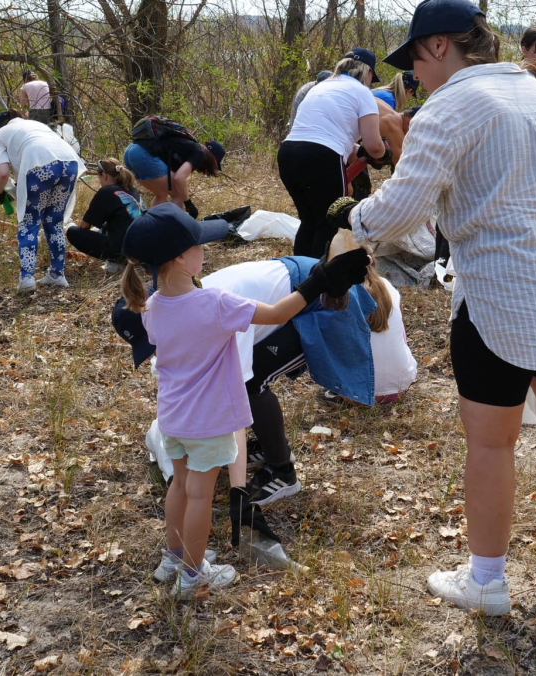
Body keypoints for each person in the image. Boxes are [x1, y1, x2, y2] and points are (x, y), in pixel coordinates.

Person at [339, 0, 536, 616]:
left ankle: (485, 581)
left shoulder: (449, 106)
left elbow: (401, 207)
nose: (412, 79)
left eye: (415, 64)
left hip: (503, 298)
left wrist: (350, 222)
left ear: (439, 46)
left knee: (490, 444)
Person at [118, 202, 369, 597]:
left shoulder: (149, 307)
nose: (206, 251)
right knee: (200, 495)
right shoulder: (215, 303)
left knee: (180, 487)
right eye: (200, 245)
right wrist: (318, 278)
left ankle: (173, 558)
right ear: (182, 258)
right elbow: (277, 313)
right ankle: (193, 575)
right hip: (208, 422)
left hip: (173, 418)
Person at [280, 48, 389, 258]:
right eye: (371, 77)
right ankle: (319, 286)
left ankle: (300, 279)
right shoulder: (362, 92)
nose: (370, 82)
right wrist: (384, 153)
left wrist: (357, 150)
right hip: (321, 156)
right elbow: (374, 146)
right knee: (329, 221)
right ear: (366, 72)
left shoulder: (320, 87)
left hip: (288, 153)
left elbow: (331, 135)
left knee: (309, 221)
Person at [0, 109, 84, 293]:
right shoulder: (35, 125)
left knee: (30, 222)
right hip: (69, 163)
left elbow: (2, 174)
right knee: (53, 221)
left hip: (40, 165)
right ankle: (57, 274)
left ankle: (27, 278)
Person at [122, 123, 224, 216]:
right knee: (178, 195)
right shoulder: (199, 153)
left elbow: (174, 176)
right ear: (213, 158)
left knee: (161, 194)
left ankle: (151, 227)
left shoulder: (188, 146)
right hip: (143, 154)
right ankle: (172, 229)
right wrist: (189, 204)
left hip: (131, 151)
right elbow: (179, 178)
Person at [64, 159, 143, 271]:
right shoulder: (132, 190)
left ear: (104, 175)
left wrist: (69, 226)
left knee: (73, 232)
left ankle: (116, 260)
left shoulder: (106, 192)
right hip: (140, 248)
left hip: (122, 250)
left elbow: (84, 227)